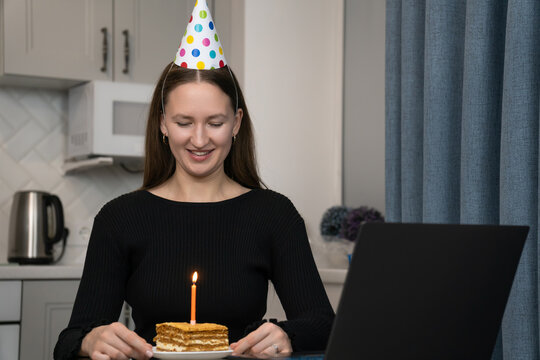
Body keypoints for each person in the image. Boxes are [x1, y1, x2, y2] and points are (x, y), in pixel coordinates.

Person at [54, 2, 334, 359]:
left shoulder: (274, 214)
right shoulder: (119, 218)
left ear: (235, 124)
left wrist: (287, 334)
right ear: (162, 124)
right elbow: (68, 341)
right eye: (184, 122)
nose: (199, 140)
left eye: (215, 123)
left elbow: (324, 324)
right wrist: (88, 342)